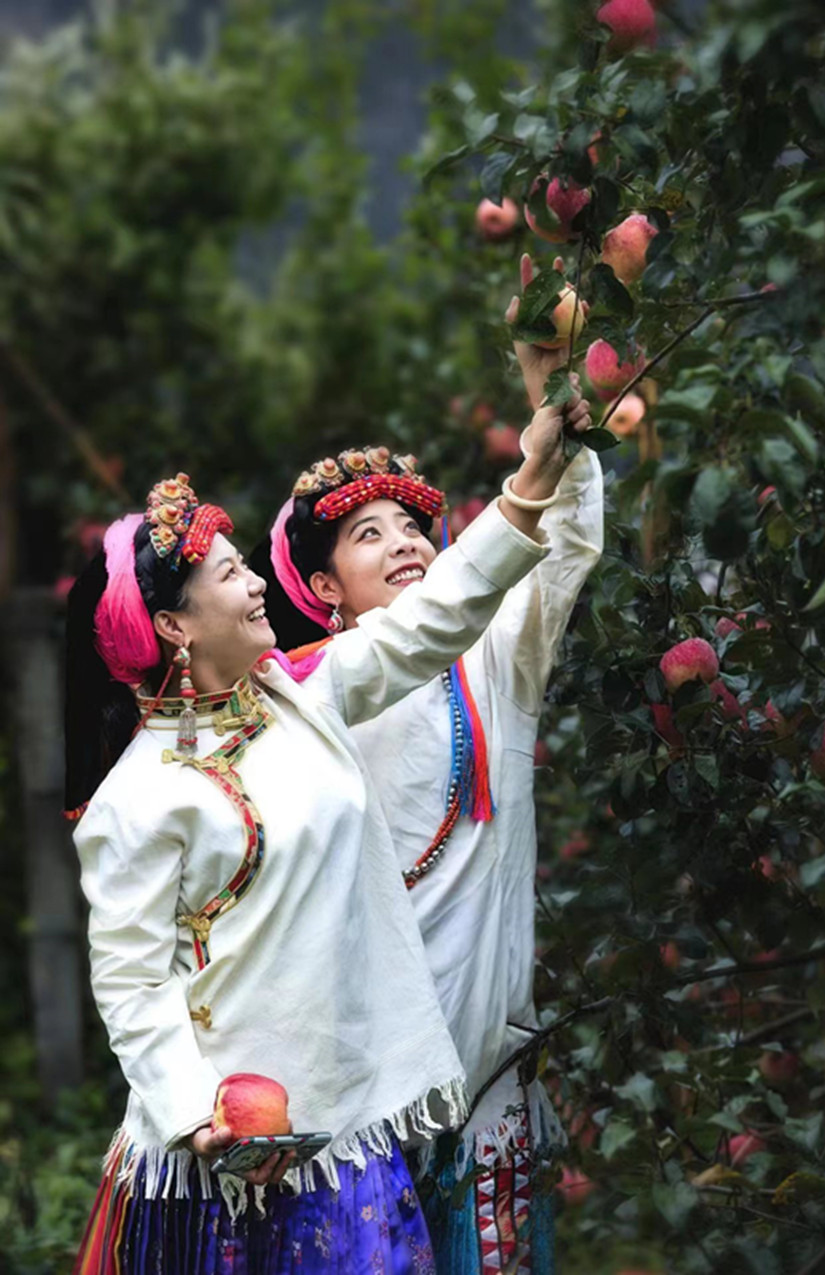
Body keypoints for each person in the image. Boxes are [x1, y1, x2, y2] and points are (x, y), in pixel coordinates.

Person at [66, 403, 573, 1275]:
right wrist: (197, 1114)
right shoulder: (136, 797)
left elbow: (436, 617)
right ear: (177, 627)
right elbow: (131, 979)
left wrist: (531, 484)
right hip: (219, 1155)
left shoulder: (302, 694)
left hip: (347, 1129)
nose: (258, 584)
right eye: (232, 574)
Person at [252, 256, 605, 1274]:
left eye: (414, 525)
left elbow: (563, 547)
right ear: (324, 587)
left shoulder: (494, 659)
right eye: (370, 535)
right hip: (359, 1092)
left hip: (487, 1080)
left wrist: (550, 388)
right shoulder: (299, 698)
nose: (405, 542)